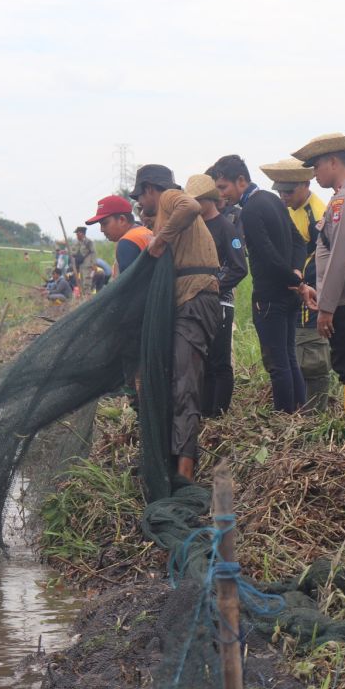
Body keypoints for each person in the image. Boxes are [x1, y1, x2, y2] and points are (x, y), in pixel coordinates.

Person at [132, 164, 222, 484]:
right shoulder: (158, 214)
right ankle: (172, 459)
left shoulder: (172, 196)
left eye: (141, 197)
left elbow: (191, 205)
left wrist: (161, 238)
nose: (140, 204)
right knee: (173, 382)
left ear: (151, 189)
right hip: (185, 302)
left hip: (196, 299)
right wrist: (152, 224)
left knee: (185, 385)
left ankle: (185, 472)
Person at [292, 132, 345, 415]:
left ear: (333, 162)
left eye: (316, 166)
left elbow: (340, 257)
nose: (314, 174)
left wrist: (326, 309)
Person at [215, 154, 309, 413]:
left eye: (224, 187)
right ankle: (300, 415)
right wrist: (297, 275)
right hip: (288, 295)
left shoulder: (252, 209)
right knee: (289, 358)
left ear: (241, 180)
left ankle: (285, 419)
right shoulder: (271, 199)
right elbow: (298, 242)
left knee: (278, 365)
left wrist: (294, 280)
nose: (222, 195)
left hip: (270, 297)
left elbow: (267, 257)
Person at [261, 158, 333, 411]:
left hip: (309, 297)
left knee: (312, 359)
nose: (283, 195)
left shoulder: (318, 213)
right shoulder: (286, 209)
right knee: (292, 356)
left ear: (306, 183)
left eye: (289, 191)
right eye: (279, 190)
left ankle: (315, 414)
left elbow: (322, 260)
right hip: (291, 295)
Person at [186, 173, 248, 417]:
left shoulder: (225, 227)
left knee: (220, 360)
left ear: (208, 200)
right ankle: (203, 410)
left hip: (220, 302)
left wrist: (214, 285)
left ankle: (218, 413)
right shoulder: (193, 226)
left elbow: (239, 267)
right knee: (203, 358)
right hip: (197, 302)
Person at [85, 194, 153, 277]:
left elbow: (127, 286)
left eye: (105, 223)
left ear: (122, 220)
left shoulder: (127, 242)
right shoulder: (146, 232)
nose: (101, 229)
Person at [72, 226, 98, 293]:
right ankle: (84, 296)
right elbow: (74, 252)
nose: (76, 235)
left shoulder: (88, 242)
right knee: (82, 282)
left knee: (87, 282)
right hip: (81, 265)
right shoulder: (77, 242)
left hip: (88, 265)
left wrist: (94, 264)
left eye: (77, 233)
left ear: (82, 233)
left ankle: (87, 296)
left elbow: (93, 252)